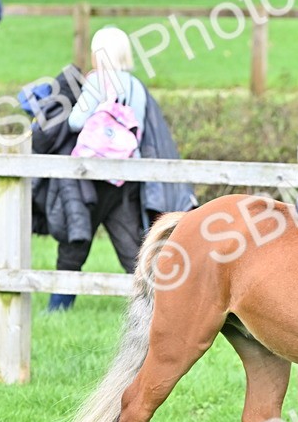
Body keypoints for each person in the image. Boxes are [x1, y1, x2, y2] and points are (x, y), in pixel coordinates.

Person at [43, 27, 195, 312]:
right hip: (126, 175)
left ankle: (57, 308)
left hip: (92, 176)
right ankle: (152, 307)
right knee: (131, 248)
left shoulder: (98, 81)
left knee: (75, 241)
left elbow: (76, 121)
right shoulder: (137, 86)